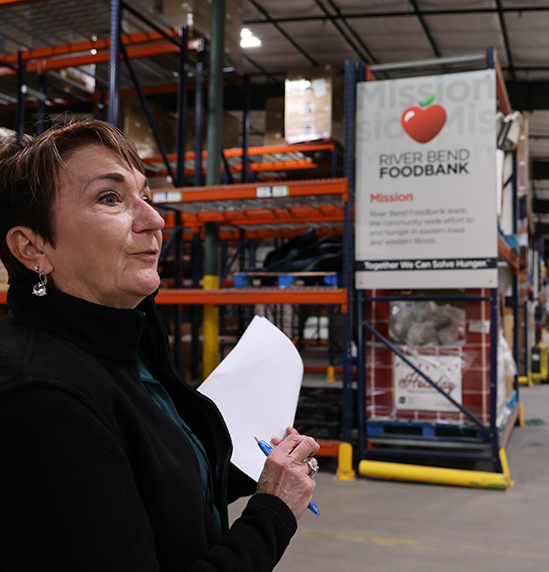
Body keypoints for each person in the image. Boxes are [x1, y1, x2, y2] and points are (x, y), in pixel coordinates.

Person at [0, 119, 320, 571]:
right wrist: (273, 511)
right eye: (110, 198)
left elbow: (147, 488)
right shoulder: (41, 397)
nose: (154, 219)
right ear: (33, 248)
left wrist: (260, 472)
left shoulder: (125, 348)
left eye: (145, 196)